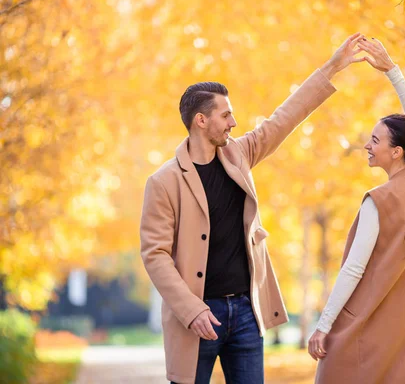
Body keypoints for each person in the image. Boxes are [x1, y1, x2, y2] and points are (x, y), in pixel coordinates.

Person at [139, 33, 367, 384]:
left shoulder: (238, 155)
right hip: (198, 315)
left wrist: (334, 66)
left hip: (246, 312)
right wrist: (191, 310)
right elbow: (155, 255)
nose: (233, 122)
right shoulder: (164, 181)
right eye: (225, 115)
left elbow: (285, 117)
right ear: (201, 121)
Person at [308, 38, 405, 384]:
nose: (367, 145)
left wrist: (323, 326)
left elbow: (353, 270)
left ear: (397, 152)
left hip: (368, 326)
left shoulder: (378, 200)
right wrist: (392, 72)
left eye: (376, 140)